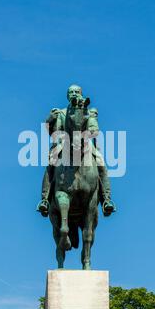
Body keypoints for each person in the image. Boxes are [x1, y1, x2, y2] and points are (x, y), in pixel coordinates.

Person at [37, 84, 116, 217]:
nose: (74, 93)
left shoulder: (89, 111)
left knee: (101, 164)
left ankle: (106, 199)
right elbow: (52, 132)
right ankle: (45, 200)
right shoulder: (60, 112)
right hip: (64, 143)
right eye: (71, 92)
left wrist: (86, 134)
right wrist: (49, 119)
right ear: (68, 96)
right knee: (51, 164)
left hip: (85, 143)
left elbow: (94, 130)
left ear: (81, 93)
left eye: (76, 91)